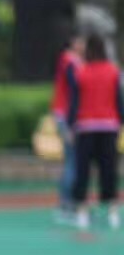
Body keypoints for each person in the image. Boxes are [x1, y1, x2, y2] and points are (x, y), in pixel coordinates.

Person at [68, 33, 123, 231]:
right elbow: (119, 100)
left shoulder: (81, 72)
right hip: (109, 126)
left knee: (83, 170)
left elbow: (75, 102)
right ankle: (113, 212)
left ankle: (82, 213)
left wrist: (71, 125)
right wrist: (121, 122)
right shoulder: (114, 71)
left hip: (86, 127)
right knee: (109, 170)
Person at [51, 29, 85, 223]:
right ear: (73, 42)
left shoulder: (76, 61)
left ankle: (69, 203)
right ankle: (66, 204)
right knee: (72, 161)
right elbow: (74, 91)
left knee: (73, 161)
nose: (84, 46)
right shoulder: (69, 61)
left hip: (69, 116)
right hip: (66, 117)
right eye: (81, 41)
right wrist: (71, 123)